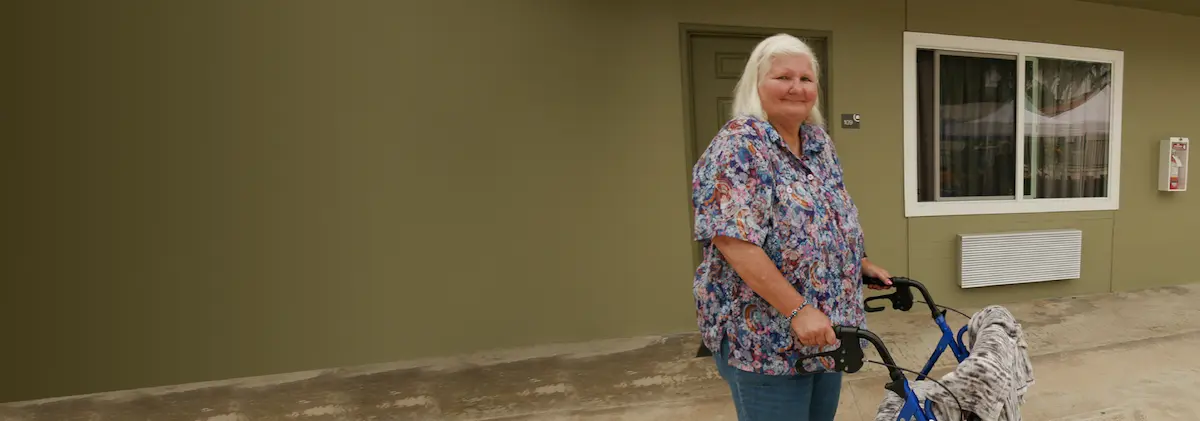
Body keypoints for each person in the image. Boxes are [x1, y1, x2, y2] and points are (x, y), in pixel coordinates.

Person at [690, 33, 894, 421]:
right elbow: (734, 242)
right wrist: (798, 309)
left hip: (828, 329)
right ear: (756, 83)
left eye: (806, 79)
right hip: (768, 340)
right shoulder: (741, 145)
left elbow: (833, 212)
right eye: (783, 77)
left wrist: (860, 260)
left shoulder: (817, 141)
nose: (797, 88)